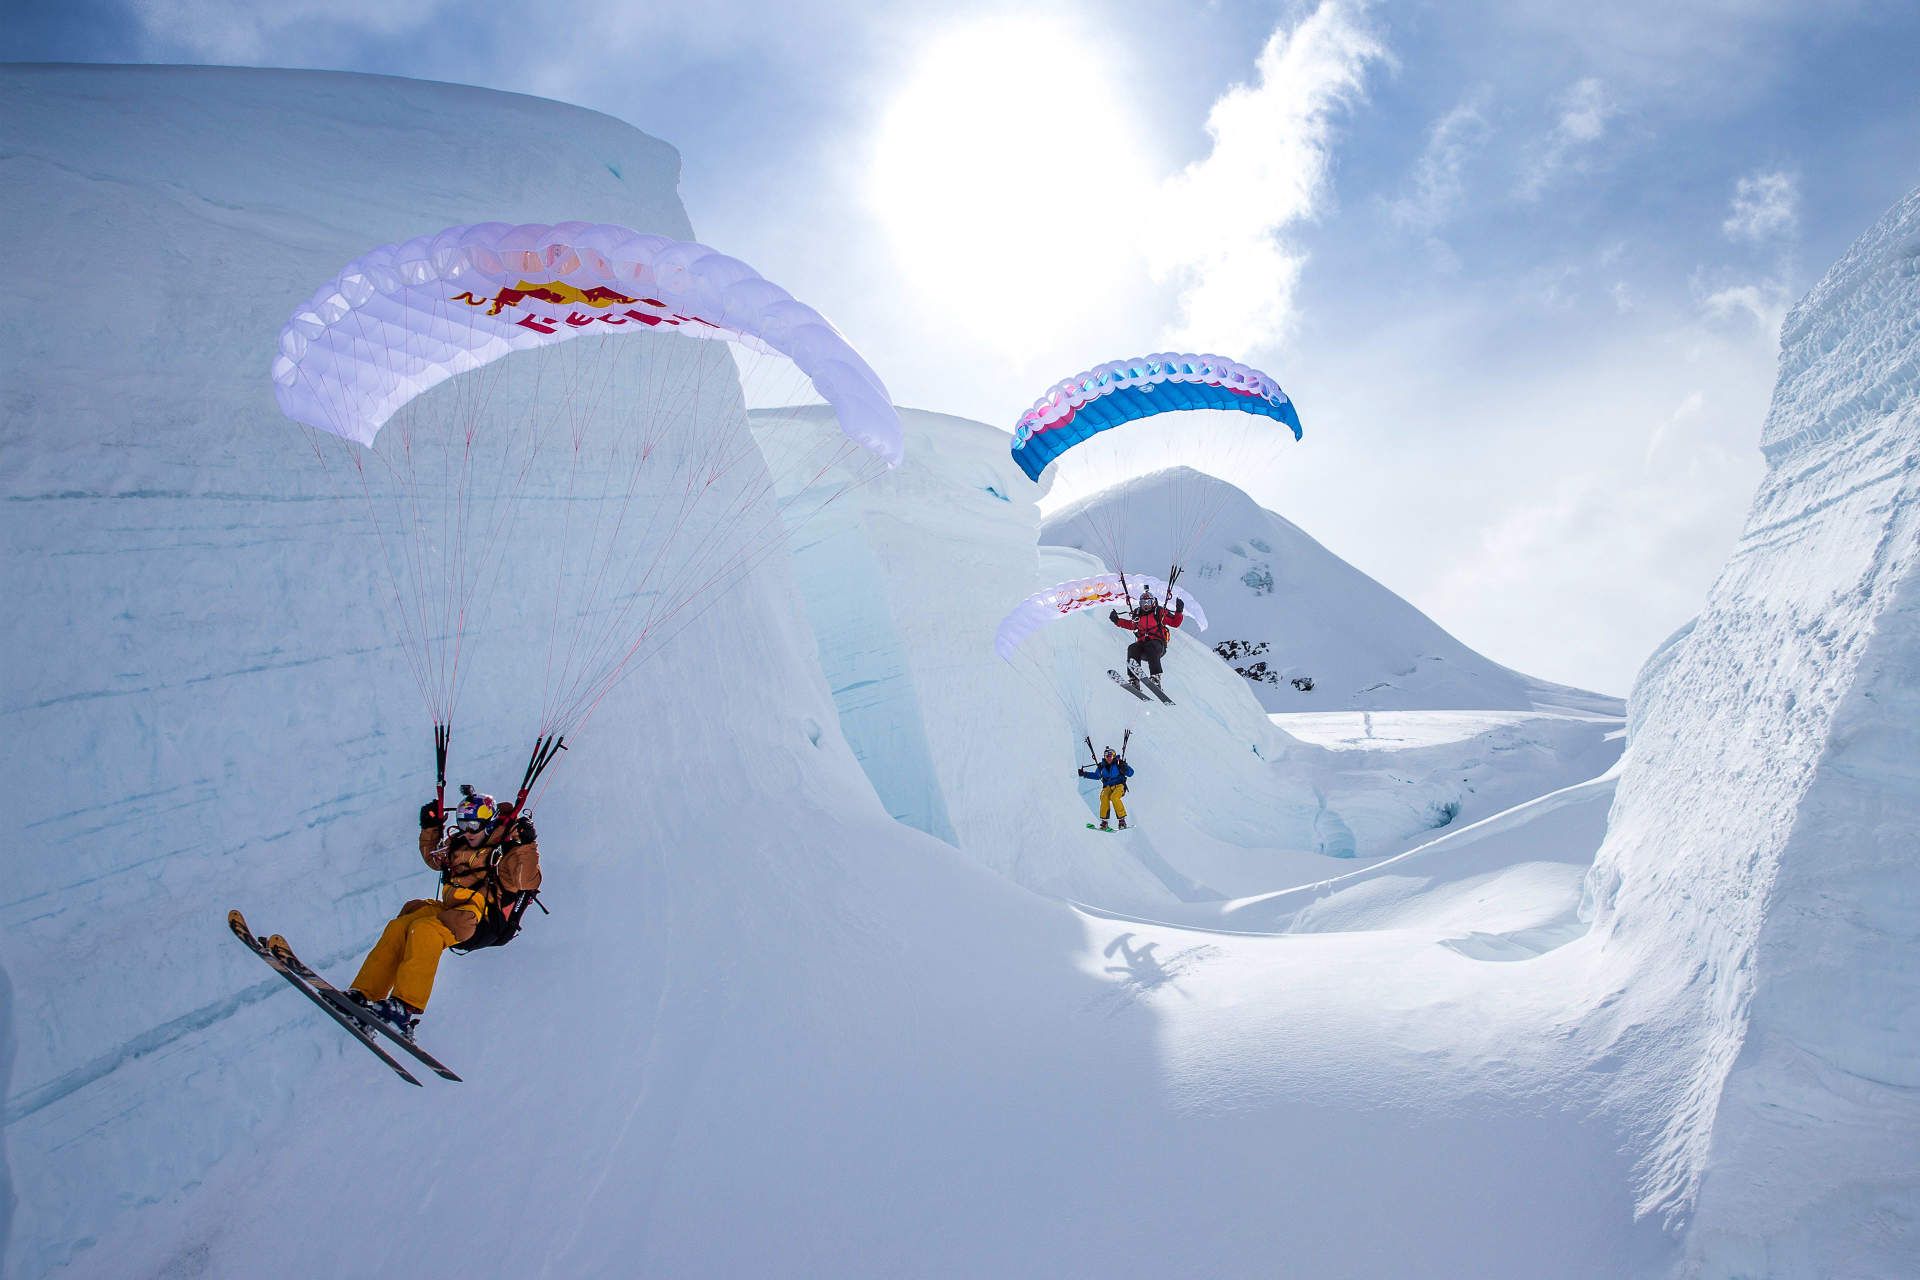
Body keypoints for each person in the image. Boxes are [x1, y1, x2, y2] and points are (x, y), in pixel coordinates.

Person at [346, 785, 542, 1038]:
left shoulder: (504, 852)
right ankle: (363, 995)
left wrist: (527, 844)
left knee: (425, 931)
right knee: (401, 926)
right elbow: (434, 859)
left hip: (480, 919)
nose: (467, 832)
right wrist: (430, 827)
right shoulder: (459, 843)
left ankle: (403, 1009)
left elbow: (528, 880)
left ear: (489, 823)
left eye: (474, 826)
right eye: (463, 824)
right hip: (452, 910)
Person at [1108, 587, 1186, 687]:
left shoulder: (1159, 612)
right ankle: (1134, 679)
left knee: (1151, 645)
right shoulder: (1137, 614)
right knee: (1132, 647)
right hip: (1143, 648)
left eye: (1148, 602)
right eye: (1143, 603)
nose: (1145, 605)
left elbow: (1175, 623)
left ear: (1153, 602)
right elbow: (1131, 625)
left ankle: (1155, 677)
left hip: (1157, 647)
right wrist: (1117, 620)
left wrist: (1179, 611)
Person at [1078, 745, 1135, 830]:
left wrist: (1125, 767)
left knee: (1114, 797)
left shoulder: (1119, 763)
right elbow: (1097, 776)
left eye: (1110, 756)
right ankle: (1104, 822)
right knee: (1104, 797)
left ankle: (1122, 821)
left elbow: (1131, 773)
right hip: (1107, 787)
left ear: (1114, 756)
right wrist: (1084, 774)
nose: (1108, 758)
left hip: (1119, 786)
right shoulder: (1102, 766)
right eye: (1106, 756)